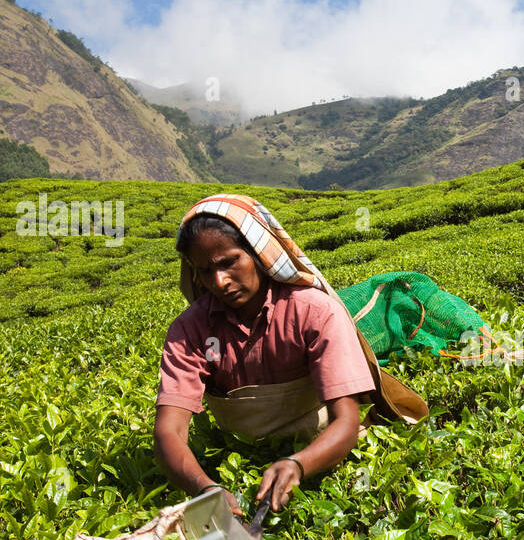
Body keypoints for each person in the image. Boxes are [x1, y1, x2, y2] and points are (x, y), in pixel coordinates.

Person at [153, 195, 379, 515]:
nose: (219, 281)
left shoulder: (314, 312)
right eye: (205, 271)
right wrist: (206, 488)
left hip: (322, 450)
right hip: (240, 454)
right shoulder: (191, 330)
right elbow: (169, 431)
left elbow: (347, 420)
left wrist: (298, 464)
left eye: (229, 262)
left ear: (258, 255)